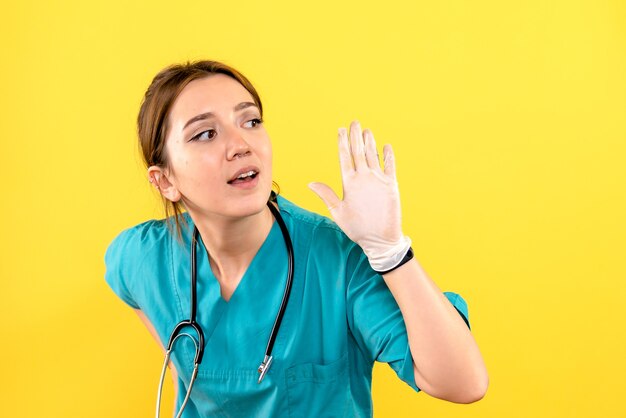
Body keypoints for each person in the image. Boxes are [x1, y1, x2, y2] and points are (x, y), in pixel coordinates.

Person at [104, 60, 488, 417]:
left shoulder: (338, 261)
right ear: (164, 180)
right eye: (205, 133)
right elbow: (172, 350)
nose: (241, 144)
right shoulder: (142, 258)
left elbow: (463, 382)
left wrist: (391, 252)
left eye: (251, 121)